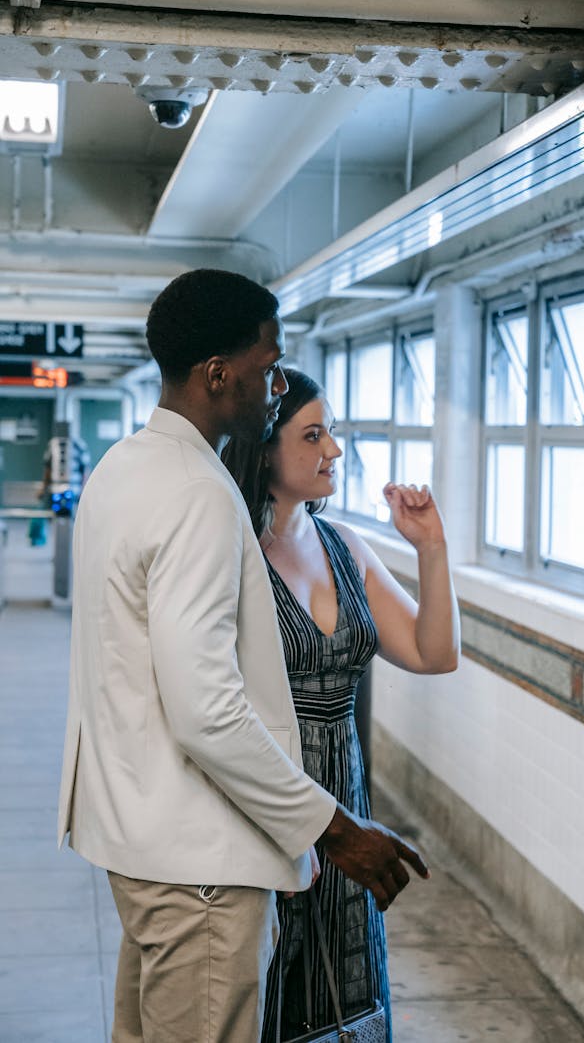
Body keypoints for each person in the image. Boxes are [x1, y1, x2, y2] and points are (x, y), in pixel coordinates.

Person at [57, 270, 429, 1043]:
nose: (279, 381)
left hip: (139, 840)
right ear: (218, 374)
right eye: (270, 363)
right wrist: (334, 827)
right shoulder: (198, 490)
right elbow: (206, 708)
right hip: (200, 868)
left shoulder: (123, 469)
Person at [221, 368, 459, 1043]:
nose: (335, 449)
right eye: (314, 434)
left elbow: (433, 650)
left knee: (345, 1008)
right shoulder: (233, 554)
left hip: (348, 813)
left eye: (335, 432)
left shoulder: (343, 546)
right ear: (265, 448)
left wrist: (431, 548)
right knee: (267, 1001)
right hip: (268, 809)